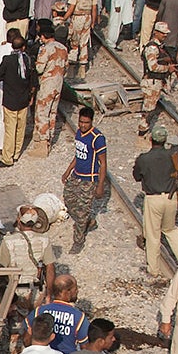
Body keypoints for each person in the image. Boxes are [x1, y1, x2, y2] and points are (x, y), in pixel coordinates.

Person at [133, 119, 178, 279]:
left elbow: (136, 176)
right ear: (165, 140)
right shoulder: (172, 155)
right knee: (171, 230)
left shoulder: (144, 158)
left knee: (153, 235)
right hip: (171, 198)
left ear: (151, 139)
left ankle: (153, 269)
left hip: (153, 199)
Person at [62, 104, 107, 253]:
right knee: (68, 199)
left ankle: (78, 240)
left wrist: (100, 185)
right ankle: (87, 221)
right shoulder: (79, 134)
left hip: (89, 179)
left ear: (92, 122)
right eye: (81, 121)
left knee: (82, 210)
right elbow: (78, 154)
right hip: (76, 175)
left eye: (86, 122)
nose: (82, 125)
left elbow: (103, 163)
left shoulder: (97, 139)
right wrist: (68, 171)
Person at [0, 30, 35, 167]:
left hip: (10, 99)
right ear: (23, 47)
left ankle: (7, 158)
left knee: (10, 129)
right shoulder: (28, 60)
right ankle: (17, 153)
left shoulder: (8, 60)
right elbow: (32, 79)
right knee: (20, 127)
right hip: (23, 98)